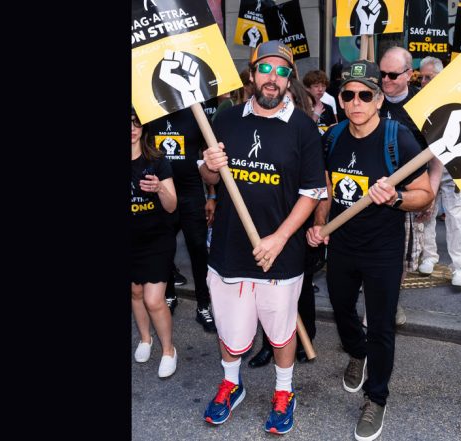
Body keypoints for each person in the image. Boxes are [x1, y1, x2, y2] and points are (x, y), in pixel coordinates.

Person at [198, 40, 327, 434]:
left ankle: (284, 391)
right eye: (266, 70)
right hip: (229, 247)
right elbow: (208, 179)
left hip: (281, 253)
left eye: (282, 72)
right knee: (230, 328)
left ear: (290, 80)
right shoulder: (227, 120)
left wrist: (278, 238)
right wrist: (212, 167)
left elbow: (311, 192)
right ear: (252, 75)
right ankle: (231, 384)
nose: (273, 79)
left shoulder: (303, 127)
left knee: (281, 328)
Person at [306, 60, 434, 441]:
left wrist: (395, 196)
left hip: (382, 249)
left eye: (366, 95)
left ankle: (376, 397)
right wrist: (320, 223)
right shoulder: (332, 137)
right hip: (343, 246)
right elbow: (327, 190)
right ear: (341, 100)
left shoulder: (399, 138)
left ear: (379, 99)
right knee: (342, 308)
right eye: (349, 95)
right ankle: (356, 353)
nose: (356, 102)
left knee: (381, 325)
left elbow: (425, 195)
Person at [248, 76, 324, 368]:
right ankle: (269, 344)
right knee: (266, 289)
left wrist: (317, 220)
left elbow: (320, 187)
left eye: (290, 96)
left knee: (297, 289)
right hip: (262, 224)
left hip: (293, 226)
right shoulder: (261, 129)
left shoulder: (304, 133)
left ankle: (305, 339)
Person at [377, 46, 446, 319]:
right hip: (369, 192)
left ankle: (390, 303)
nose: (385, 80)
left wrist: (430, 191)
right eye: (382, 74)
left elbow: (437, 153)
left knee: (403, 256)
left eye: (393, 75)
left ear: (409, 74)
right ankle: (378, 303)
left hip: (408, 194)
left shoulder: (424, 105)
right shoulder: (371, 99)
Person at [151, 107, 218, 332]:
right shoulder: (150, 114)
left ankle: (203, 304)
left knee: (199, 249)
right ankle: (169, 294)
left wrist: (211, 195)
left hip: (191, 193)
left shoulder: (195, 114)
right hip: (161, 193)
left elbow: (209, 156)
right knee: (164, 249)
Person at [410, 55, 461, 286]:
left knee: (455, 216)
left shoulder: (457, 97)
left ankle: (459, 267)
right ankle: (429, 256)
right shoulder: (418, 99)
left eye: (429, 77)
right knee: (427, 211)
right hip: (426, 165)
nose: (424, 81)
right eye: (421, 77)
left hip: (453, 165)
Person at [131, 107, 179, 378]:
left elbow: (172, 207)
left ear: (144, 128)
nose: (132, 128)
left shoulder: (157, 160)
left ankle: (169, 350)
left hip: (157, 239)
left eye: (136, 123)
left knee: (153, 299)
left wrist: (160, 187)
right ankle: (146, 339)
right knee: (136, 293)